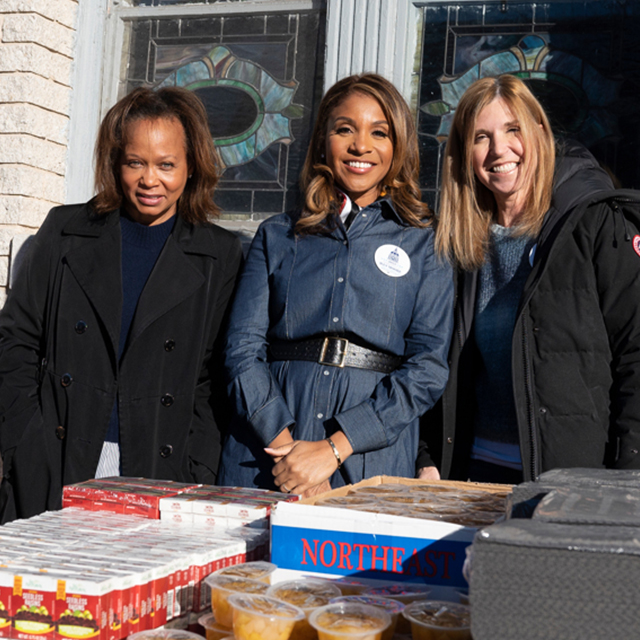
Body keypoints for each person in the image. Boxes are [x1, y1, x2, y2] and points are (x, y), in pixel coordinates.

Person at [0, 87, 243, 522]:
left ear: (191, 168)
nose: (151, 180)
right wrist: (22, 441)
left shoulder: (218, 254)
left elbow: (214, 379)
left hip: (159, 466)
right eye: (136, 162)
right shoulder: (66, 230)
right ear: (116, 163)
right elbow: (14, 341)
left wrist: (200, 463)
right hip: (57, 458)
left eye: (167, 164)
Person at [218, 74, 454, 497]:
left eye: (378, 133)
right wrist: (290, 453)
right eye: (345, 129)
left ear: (397, 146)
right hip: (266, 454)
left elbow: (427, 368)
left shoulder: (426, 245)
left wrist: (332, 450)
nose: (360, 145)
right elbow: (241, 351)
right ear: (323, 139)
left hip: (370, 455)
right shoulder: (277, 235)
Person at [417, 74, 640, 484]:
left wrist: (629, 479)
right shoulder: (459, 243)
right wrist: (427, 454)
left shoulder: (592, 222)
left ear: (539, 131)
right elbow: (434, 359)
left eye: (512, 130)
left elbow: (635, 355)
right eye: (481, 137)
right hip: (473, 471)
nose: (499, 150)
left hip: (571, 479)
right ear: (463, 153)